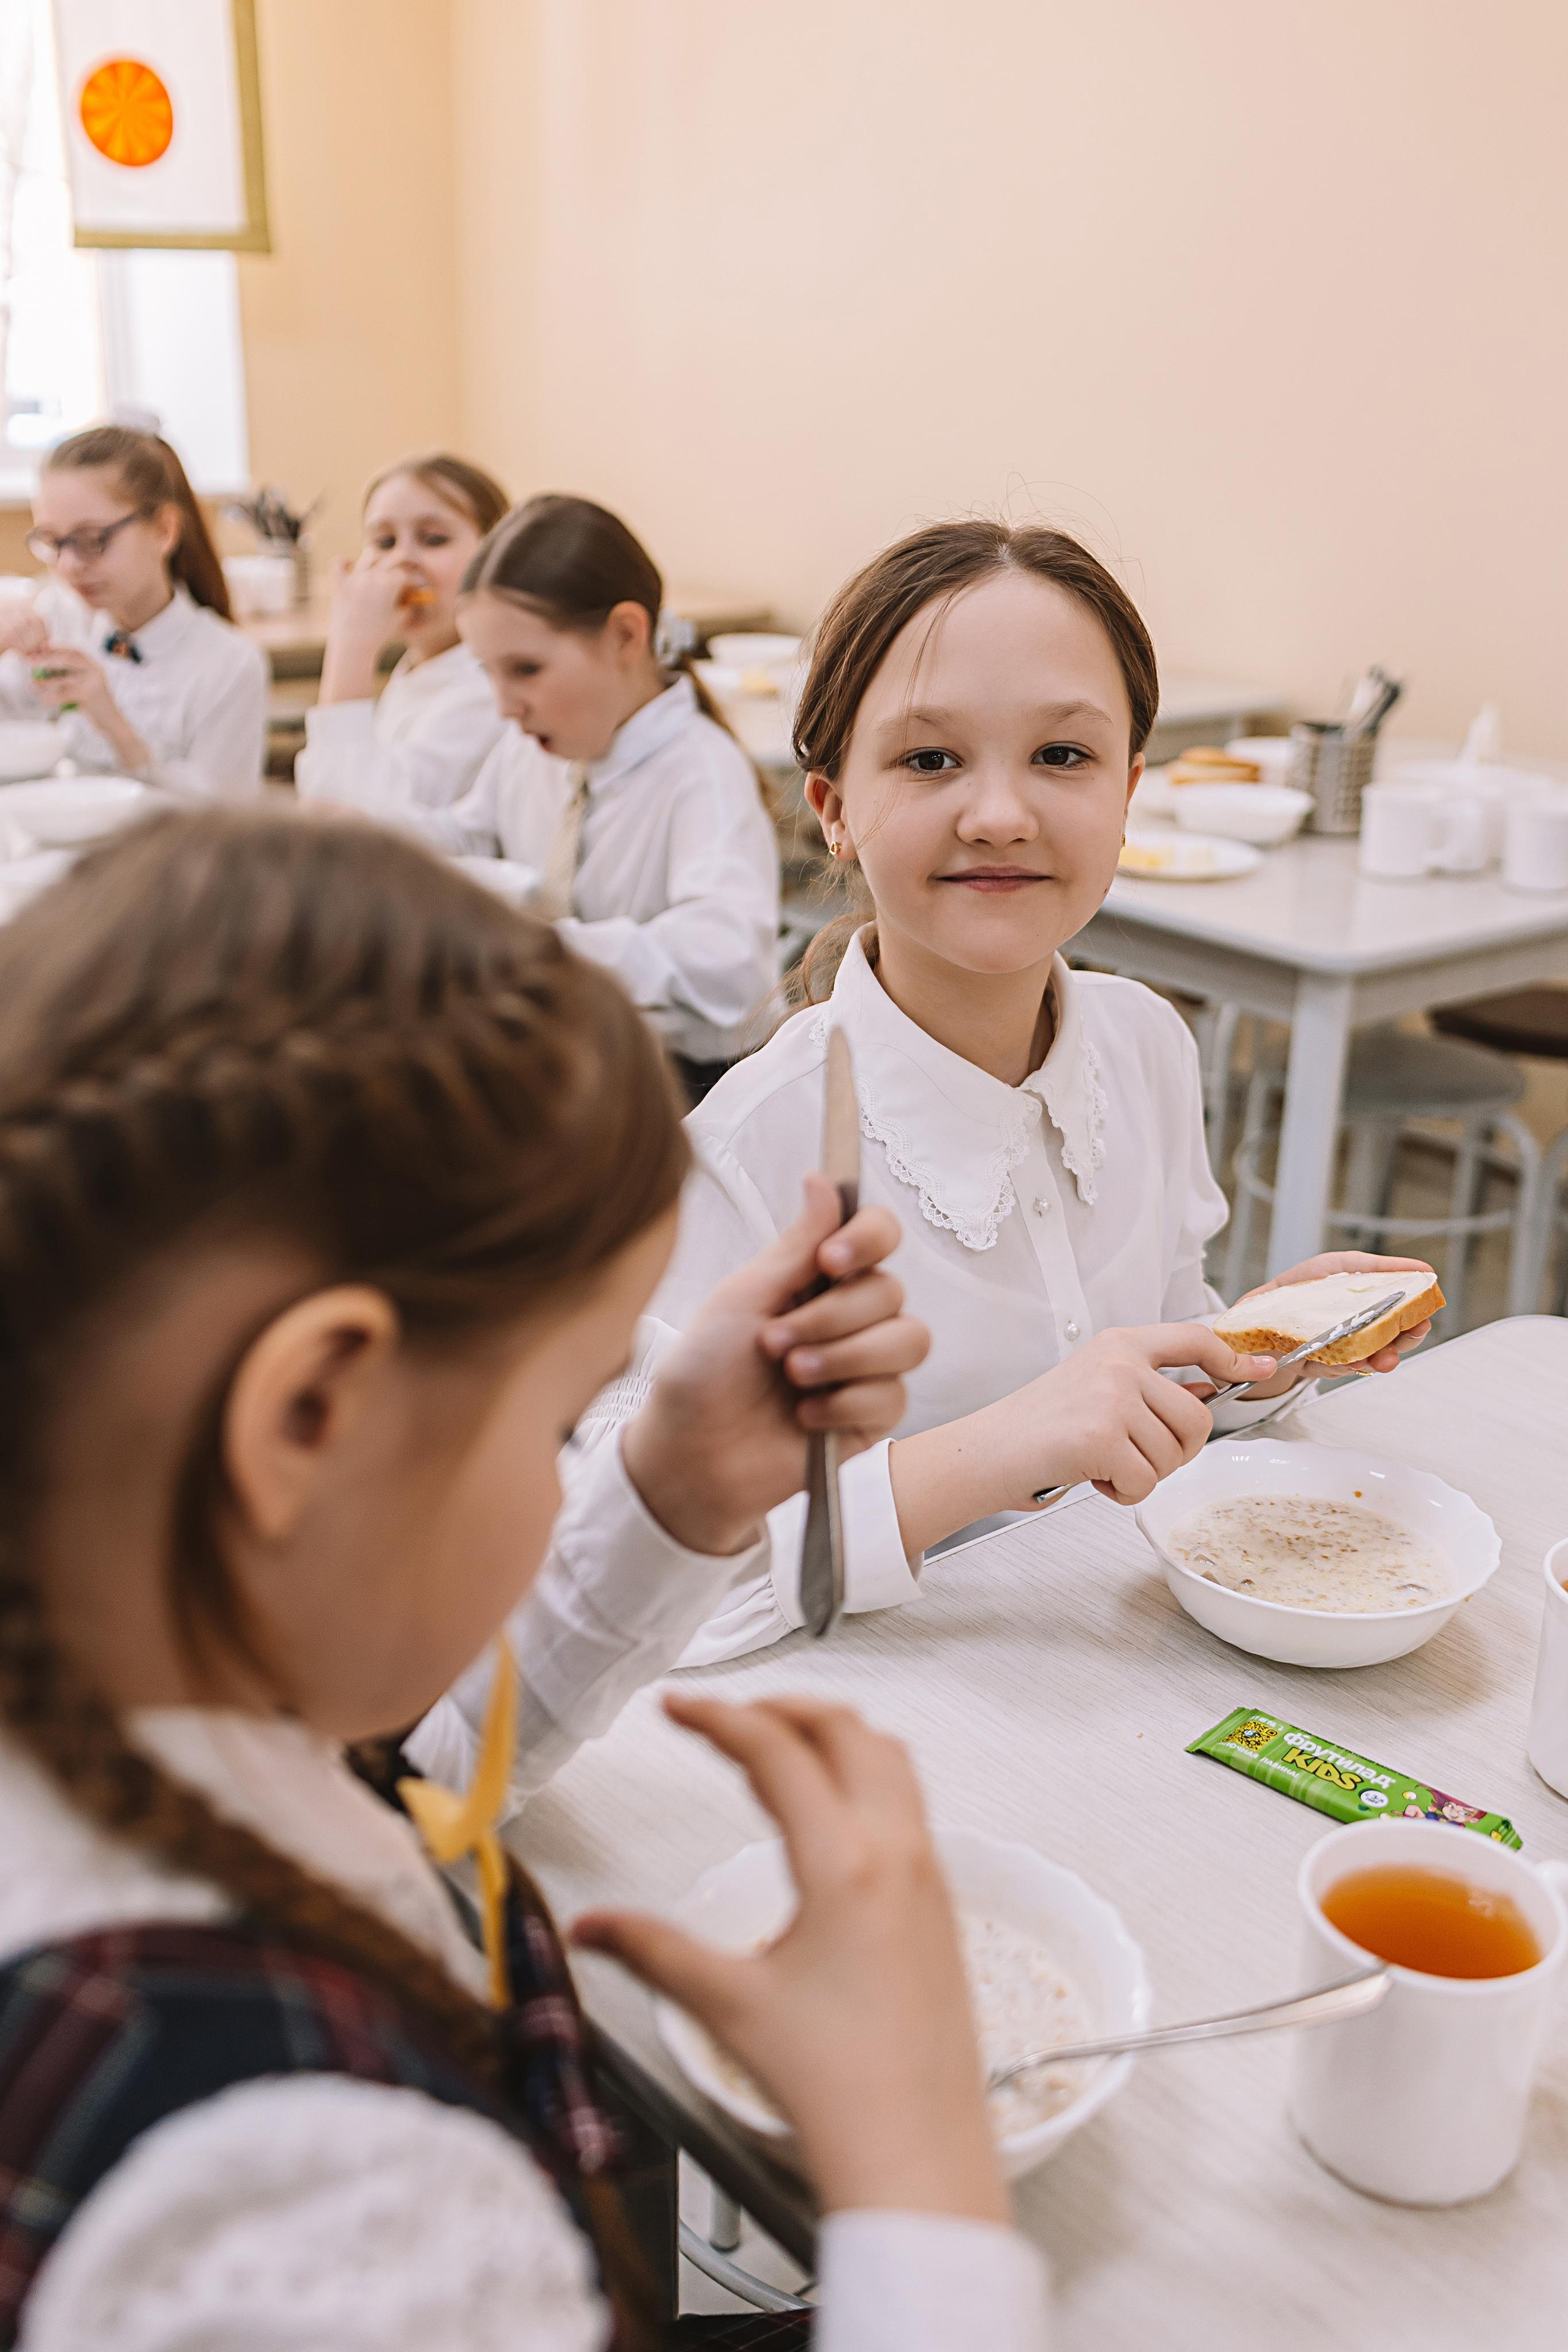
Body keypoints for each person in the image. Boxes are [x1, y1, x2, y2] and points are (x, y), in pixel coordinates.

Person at [0, 804, 1047, 2351]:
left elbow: (384, 1773)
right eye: (562, 1415)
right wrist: (916, 2169)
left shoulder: (124, 1651)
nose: (571, 1455)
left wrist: (671, 1487)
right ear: (311, 1414)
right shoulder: (309, 2216)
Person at [653, 519, 1435, 1660]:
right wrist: (995, 1449)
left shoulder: (1148, 1046)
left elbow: (1155, 1395)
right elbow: (646, 1570)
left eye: (1062, 758)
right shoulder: (749, 1151)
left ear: (1127, 791)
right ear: (831, 805)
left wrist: (1257, 1359)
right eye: (929, 760)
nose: (1001, 814)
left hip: (1125, 1674)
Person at [412, 494, 780, 1099]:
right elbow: (468, 830)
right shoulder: (533, 745)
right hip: (572, 1057)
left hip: (681, 1088)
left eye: (526, 670)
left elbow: (729, 962)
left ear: (626, 636)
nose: (504, 705)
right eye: (488, 671)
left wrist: (535, 949)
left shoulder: (701, 774)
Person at [0, 424, 266, 797]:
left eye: (92, 540)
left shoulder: (229, 665)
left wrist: (114, 726)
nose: (69, 565)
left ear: (163, 530)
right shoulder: (59, 617)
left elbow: (224, 826)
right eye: (53, 541)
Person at [293, 452, 511, 815]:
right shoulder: (419, 667)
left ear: (496, 555)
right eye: (384, 542)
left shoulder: (487, 692)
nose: (401, 560)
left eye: (434, 539)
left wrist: (351, 650)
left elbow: (353, 817)